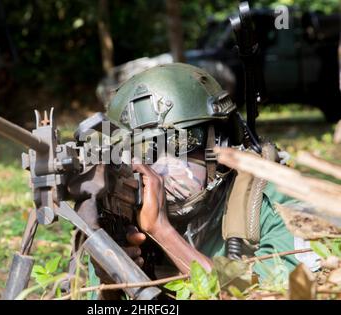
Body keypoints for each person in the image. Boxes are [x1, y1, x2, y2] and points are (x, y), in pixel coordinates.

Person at [94, 63, 319, 296]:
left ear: (220, 140)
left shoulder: (275, 202)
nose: (161, 166)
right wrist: (111, 284)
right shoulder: (120, 219)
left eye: (181, 142)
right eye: (144, 152)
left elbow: (275, 293)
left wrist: (162, 231)